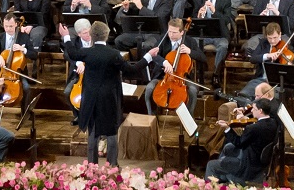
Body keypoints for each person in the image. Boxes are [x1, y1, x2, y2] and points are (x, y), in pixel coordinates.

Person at [60, 21, 156, 165]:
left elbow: (72, 53)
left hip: (91, 99)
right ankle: (112, 166)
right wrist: (148, 56)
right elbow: (132, 70)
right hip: (109, 100)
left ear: (92, 35)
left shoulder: (88, 53)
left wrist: (66, 36)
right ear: (107, 35)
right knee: (111, 133)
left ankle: (92, 167)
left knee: (92, 133)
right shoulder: (113, 54)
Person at [206, 97, 278, 184]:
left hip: (247, 165)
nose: (251, 111)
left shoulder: (253, 128)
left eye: (254, 109)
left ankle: (209, 189)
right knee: (228, 147)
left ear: (260, 111)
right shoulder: (273, 123)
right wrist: (245, 118)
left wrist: (227, 128)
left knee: (211, 165)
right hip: (258, 159)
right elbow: (258, 128)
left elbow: (238, 142)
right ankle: (223, 174)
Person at [143, 18, 200, 115]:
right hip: (162, 77)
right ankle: (151, 117)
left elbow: (202, 57)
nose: (171, 35)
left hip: (181, 78)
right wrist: (164, 62)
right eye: (169, 32)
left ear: (182, 32)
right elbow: (154, 55)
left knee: (193, 90)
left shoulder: (190, 42)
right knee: (149, 89)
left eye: (174, 32)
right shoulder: (163, 40)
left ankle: (189, 120)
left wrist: (190, 51)